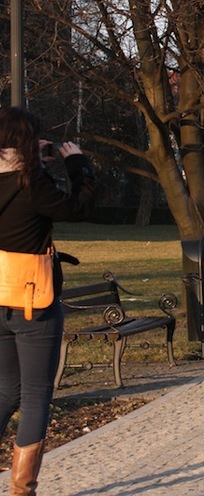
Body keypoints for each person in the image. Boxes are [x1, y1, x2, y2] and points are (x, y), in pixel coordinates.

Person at [0, 107, 95, 496]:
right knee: (37, 395)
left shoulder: (19, 178)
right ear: (27, 143)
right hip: (32, 302)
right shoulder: (32, 185)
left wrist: (32, 158)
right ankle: (23, 489)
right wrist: (77, 165)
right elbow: (78, 207)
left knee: (6, 390)